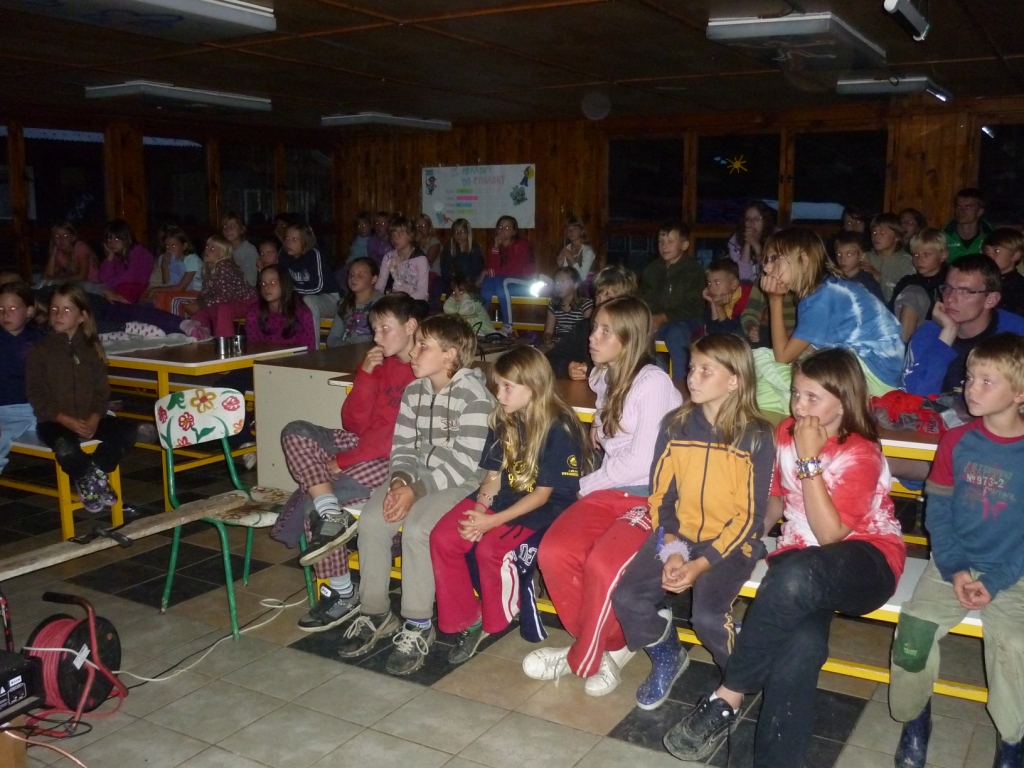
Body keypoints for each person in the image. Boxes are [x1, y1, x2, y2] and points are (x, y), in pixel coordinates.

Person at [663, 348, 905, 767]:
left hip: (866, 561)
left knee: (793, 575)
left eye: (813, 397)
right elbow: (775, 497)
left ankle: (729, 694)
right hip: (799, 565)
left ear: (844, 402)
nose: (799, 406)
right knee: (799, 650)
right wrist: (750, 533)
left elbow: (830, 536)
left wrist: (809, 459)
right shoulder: (786, 432)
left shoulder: (860, 451)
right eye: (796, 394)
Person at [523, 296, 682, 695]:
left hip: (650, 496)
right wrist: (598, 422)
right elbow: (597, 387)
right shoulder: (607, 374)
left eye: (605, 331)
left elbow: (643, 462)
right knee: (554, 552)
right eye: (595, 328)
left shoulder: (653, 384)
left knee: (603, 565)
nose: (592, 337)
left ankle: (581, 656)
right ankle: (610, 646)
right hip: (611, 489)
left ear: (630, 340)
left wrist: (586, 484)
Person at [612, 333, 774, 710]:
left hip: (732, 542)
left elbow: (749, 516)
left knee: (708, 617)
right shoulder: (677, 425)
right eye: (692, 368)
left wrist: (701, 563)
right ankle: (668, 653)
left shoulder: (755, 435)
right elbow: (661, 496)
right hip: (680, 535)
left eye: (705, 370)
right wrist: (673, 549)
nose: (692, 378)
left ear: (734, 380)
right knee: (628, 597)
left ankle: (738, 678)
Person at [889, 333, 1024, 768]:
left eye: (987, 381)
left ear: (1019, 394)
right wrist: (956, 568)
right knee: (915, 631)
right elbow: (939, 512)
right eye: (969, 377)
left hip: (1014, 571)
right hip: (954, 563)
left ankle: (1012, 741)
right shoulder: (957, 440)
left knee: (1016, 646)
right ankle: (915, 719)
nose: (971, 388)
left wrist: (995, 580)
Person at [338, 315, 494, 675]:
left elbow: (465, 463)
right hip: (415, 478)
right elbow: (404, 448)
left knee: (418, 530)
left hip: (460, 480)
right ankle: (375, 613)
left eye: (424, 345)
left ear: (449, 355)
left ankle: (418, 623)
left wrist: (416, 491)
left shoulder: (475, 397)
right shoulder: (414, 391)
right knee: (373, 522)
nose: (413, 352)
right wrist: (399, 482)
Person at [430, 346, 590, 663]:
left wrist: (491, 522)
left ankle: (497, 619)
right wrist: (479, 512)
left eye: (507, 387)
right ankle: (468, 617)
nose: (499, 394)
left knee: (491, 549)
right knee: (444, 537)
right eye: (498, 386)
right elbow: (492, 475)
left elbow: (542, 495)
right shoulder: (504, 418)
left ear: (534, 387)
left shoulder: (559, 427)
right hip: (508, 495)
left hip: (547, 507)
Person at [281, 295, 420, 631]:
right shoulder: (383, 364)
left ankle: (342, 592)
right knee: (295, 431)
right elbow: (354, 424)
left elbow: (393, 437)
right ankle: (331, 512)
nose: (376, 336)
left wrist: (343, 462)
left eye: (385, 328)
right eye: (374, 329)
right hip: (364, 445)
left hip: (397, 458)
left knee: (311, 504)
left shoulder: (422, 370)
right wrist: (366, 375)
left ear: (411, 327)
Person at [753, 228, 904, 414]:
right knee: (770, 379)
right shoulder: (825, 288)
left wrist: (775, 300)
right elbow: (807, 348)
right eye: (767, 260)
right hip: (875, 373)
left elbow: (783, 357)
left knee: (761, 359)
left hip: (874, 376)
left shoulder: (821, 298)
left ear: (804, 260)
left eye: (775, 259)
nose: (766, 268)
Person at [26, 284, 138, 513]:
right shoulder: (40, 350)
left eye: (67, 310)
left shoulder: (91, 349)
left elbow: (101, 391)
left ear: (82, 316)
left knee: (129, 431)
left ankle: (93, 473)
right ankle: (88, 477)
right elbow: (36, 394)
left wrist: (96, 417)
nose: (58, 314)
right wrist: (63, 418)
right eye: (54, 309)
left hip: (90, 417)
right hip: (55, 421)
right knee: (65, 448)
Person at [903, 254, 1024, 397]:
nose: (950, 299)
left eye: (965, 292)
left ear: (991, 300)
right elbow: (913, 398)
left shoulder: (1017, 333)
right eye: (947, 288)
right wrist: (946, 337)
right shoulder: (926, 335)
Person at [546, 265, 638, 380]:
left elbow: (634, 372)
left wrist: (591, 372)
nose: (600, 304)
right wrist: (567, 368)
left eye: (608, 298)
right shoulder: (585, 328)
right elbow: (551, 358)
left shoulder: (636, 332)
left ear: (625, 302)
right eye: (598, 298)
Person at [641, 220, 705, 381]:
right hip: (658, 322)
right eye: (660, 242)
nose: (664, 246)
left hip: (687, 321)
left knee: (676, 333)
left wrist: (663, 317)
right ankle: (650, 379)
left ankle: (681, 383)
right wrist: (648, 318)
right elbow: (644, 299)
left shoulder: (694, 271)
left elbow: (692, 306)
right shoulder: (652, 270)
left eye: (670, 242)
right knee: (637, 332)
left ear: (684, 245)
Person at [0, 282, 44, 473]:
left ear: (29, 311)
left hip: (34, 409)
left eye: (12, 309)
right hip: (4, 410)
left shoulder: (39, 340)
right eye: (0, 309)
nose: (5, 314)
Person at [180, 235, 256, 339]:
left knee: (223, 308)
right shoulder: (207, 269)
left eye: (212, 248)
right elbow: (205, 293)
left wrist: (201, 305)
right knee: (199, 311)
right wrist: (197, 303)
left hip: (246, 301)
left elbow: (225, 296)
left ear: (222, 254)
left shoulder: (225, 267)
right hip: (228, 301)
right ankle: (199, 336)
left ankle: (223, 340)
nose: (207, 250)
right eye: (207, 246)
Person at [282, 221, 342, 338]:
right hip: (301, 299)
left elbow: (318, 287)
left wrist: (293, 293)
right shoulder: (284, 255)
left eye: (295, 240)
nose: (289, 242)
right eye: (287, 238)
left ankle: (313, 346)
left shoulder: (314, 255)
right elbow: (283, 281)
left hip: (329, 299)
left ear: (305, 241)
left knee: (309, 300)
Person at [891, 228, 950, 343]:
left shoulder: (950, 282)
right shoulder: (907, 282)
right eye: (915, 255)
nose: (919, 260)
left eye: (926, 254)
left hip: (938, 335)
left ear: (943, 255)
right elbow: (891, 312)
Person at [479, 215, 535, 328]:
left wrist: (487, 272)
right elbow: (492, 270)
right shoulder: (495, 247)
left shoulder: (521, 245)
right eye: (500, 227)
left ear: (514, 232)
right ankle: (480, 321)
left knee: (500, 280)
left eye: (507, 228)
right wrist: (495, 247)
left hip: (524, 283)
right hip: (504, 284)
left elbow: (513, 271)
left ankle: (508, 325)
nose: (502, 230)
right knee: (488, 281)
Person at [376, 216, 430, 315]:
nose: (395, 238)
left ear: (410, 235)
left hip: (415, 300)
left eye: (400, 234)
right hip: (396, 298)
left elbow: (422, 292)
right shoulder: (388, 257)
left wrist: (401, 301)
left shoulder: (420, 259)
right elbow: (380, 285)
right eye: (393, 234)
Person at [143, 226, 202, 312]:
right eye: (167, 246)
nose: (169, 249)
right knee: (159, 296)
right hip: (184, 290)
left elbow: (181, 288)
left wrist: (156, 289)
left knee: (172, 298)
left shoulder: (192, 259)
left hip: (197, 292)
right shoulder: (174, 260)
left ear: (184, 246)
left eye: (173, 246)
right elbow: (167, 283)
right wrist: (164, 265)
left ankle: (174, 320)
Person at [326, 257, 382, 347]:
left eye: (360, 274)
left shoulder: (382, 303)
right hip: (345, 351)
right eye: (351, 274)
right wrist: (348, 349)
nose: (353, 278)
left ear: (373, 279)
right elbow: (332, 339)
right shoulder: (344, 303)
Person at [97, 219, 154, 304]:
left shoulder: (138, 251)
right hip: (123, 286)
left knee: (122, 288)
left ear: (125, 239)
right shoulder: (116, 256)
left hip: (140, 287)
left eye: (116, 239)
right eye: (109, 239)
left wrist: (109, 282)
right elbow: (102, 277)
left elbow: (130, 277)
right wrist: (110, 257)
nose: (112, 243)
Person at [861, 213, 914, 303]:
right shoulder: (865, 257)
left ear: (896, 237)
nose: (876, 236)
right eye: (874, 232)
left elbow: (904, 295)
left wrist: (879, 278)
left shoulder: (906, 261)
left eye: (882, 232)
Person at [727, 201, 777, 283]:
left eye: (757, 219)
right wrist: (747, 243)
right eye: (747, 219)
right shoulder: (735, 241)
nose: (751, 223)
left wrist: (757, 247)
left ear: (765, 221)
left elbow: (769, 272)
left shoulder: (777, 239)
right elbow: (743, 276)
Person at [543, 266, 593, 347]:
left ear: (575, 285)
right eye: (557, 283)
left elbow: (587, 332)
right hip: (558, 343)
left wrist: (568, 342)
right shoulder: (553, 304)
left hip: (577, 344)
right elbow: (548, 331)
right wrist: (548, 339)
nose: (559, 286)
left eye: (563, 282)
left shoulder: (586, 305)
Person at [739, 282, 796, 351]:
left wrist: (796, 332)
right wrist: (750, 327)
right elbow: (751, 311)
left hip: (799, 336)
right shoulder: (765, 279)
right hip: (769, 331)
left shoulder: (804, 282)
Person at [703, 258, 753, 336]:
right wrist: (713, 304)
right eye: (709, 283)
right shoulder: (715, 299)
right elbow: (712, 332)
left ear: (733, 284)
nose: (711, 288)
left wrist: (720, 308)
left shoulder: (746, 300)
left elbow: (730, 334)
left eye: (717, 282)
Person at [943, 188, 993, 263]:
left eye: (968, 207)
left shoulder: (991, 236)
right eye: (958, 207)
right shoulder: (943, 237)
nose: (961, 211)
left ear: (980, 212)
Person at [983, 227, 1024, 317]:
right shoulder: (980, 280)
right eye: (987, 251)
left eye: (996, 251)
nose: (989, 256)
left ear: (1015, 255)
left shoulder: (1019, 288)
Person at [834, 231, 884, 302]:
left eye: (849, 254)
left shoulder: (867, 283)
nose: (842, 259)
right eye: (839, 254)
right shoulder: (834, 279)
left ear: (861, 256)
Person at [439, 218, 484, 288]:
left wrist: (462, 253)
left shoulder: (474, 248)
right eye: (456, 232)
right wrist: (452, 281)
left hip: (470, 282)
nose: (459, 235)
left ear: (468, 233)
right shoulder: (449, 248)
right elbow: (445, 269)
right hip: (452, 282)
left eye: (462, 231)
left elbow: (474, 271)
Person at [222, 212, 259, 287]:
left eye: (232, 226)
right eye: (225, 226)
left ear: (242, 229)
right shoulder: (222, 249)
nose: (228, 229)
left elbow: (251, 281)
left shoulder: (249, 250)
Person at [556, 215, 596, 282]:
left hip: (585, 285)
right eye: (568, 229)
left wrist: (571, 258)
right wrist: (560, 266)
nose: (571, 232)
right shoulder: (566, 249)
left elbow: (582, 277)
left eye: (575, 228)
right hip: (570, 284)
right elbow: (565, 275)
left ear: (581, 230)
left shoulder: (588, 251)